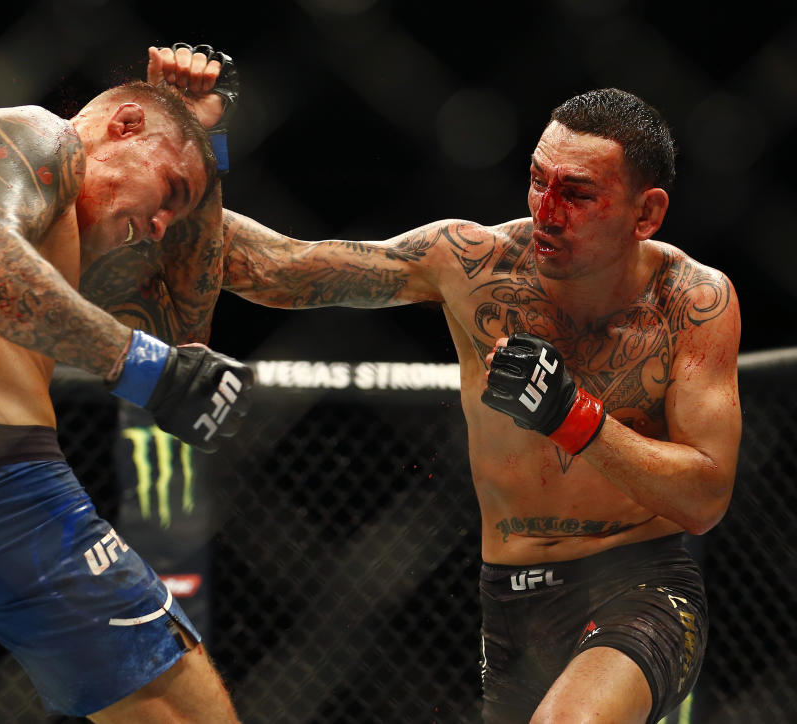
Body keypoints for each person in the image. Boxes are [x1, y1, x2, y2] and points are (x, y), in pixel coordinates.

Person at [219, 88, 741, 723]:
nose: (546, 211)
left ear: (646, 212)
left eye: (576, 193)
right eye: (535, 181)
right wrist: (192, 142)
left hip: (643, 587)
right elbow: (278, 270)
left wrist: (572, 417)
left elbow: (705, 499)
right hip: (508, 601)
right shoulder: (469, 265)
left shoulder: (691, 301)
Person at [0, 45, 252, 724]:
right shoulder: (36, 132)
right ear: (122, 125)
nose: (158, 226)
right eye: (168, 193)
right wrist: (149, 371)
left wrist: (201, 139)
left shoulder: (51, 248)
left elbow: (189, 333)